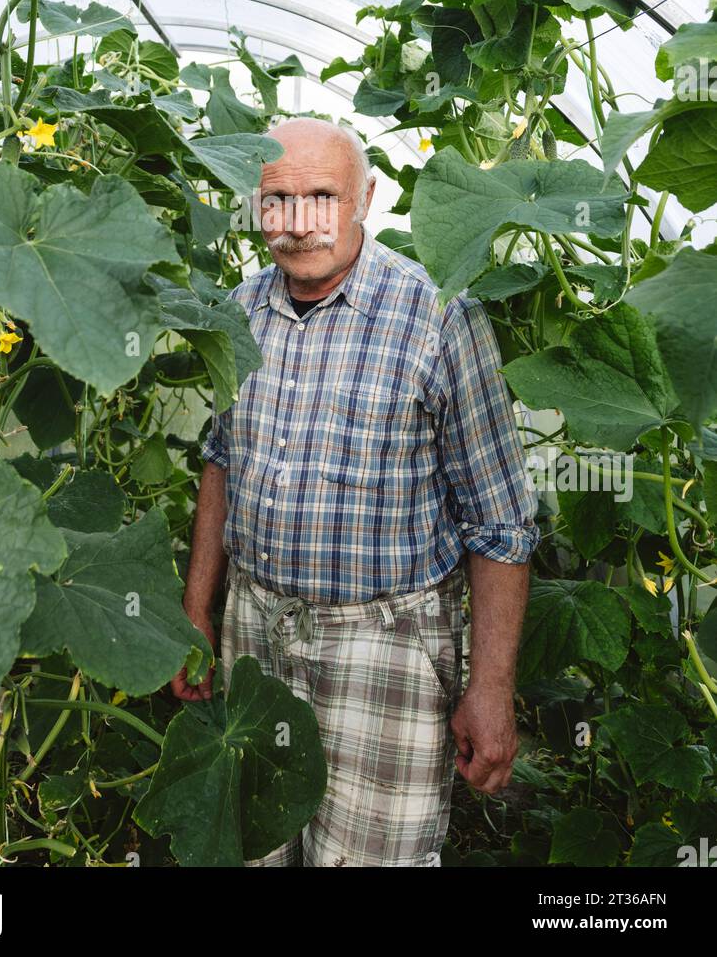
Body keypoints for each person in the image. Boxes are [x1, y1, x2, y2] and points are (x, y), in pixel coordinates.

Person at [171, 116, 539, 866]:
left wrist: (491, 688)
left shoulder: (439, 318)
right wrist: (194, 613)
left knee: (371, 858)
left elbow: (500, 525)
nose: (299, 224)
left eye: (322, 197)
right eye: (277, 201)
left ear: (366, 198)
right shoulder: (238, 313)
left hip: (386, 646)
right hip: (254, 629)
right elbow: (221, 459)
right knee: (254, 845)